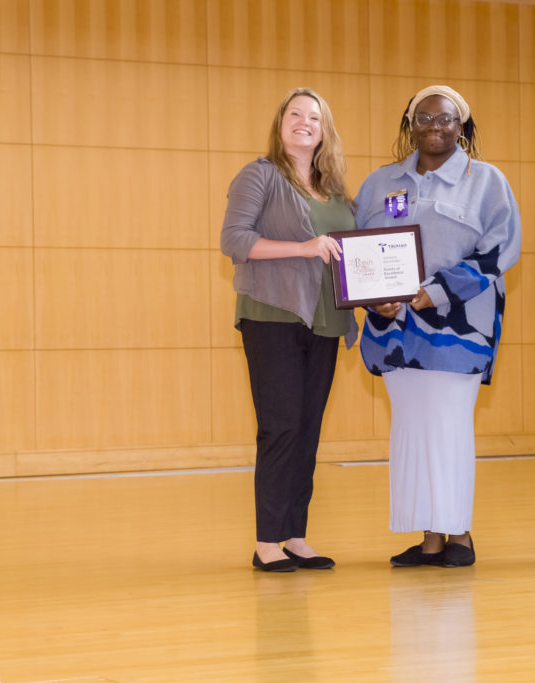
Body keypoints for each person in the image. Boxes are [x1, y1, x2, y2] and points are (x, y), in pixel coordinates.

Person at [355, 85, 521, 568]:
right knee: (412, 429)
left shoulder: (486, 181)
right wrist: (373, 299)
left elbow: (500, 249)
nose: (434, 126)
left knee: (448, 428)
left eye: (445, 118)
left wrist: (439, 291)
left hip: (457, 331)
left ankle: (460, 536)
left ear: (461, 125)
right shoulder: (380, 182)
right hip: (396, 332)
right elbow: (357, 251)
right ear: (410, 124)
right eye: (424, 117)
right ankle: (430, 539)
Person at [220, 88, 358, 573]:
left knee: (308, 430)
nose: (304, 122)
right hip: (272, 318)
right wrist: (302, 247)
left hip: (325, 322)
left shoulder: (336, 190)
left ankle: (295, 535)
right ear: (280, 125)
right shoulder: (259, 176)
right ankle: (266, 543)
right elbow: (234, 240)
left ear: (325, 130)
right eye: (295, 114)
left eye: (314, 117)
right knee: (280, 428)